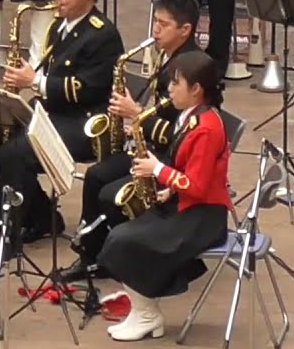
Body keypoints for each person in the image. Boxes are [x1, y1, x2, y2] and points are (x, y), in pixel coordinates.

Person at [64, 0, 200, 282]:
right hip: (152, 148)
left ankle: (125, 255)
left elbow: (183, 134)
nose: (156, 30)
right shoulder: (170, 57)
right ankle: (92, 253)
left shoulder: (194, 70)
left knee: (110, 195)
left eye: (164, 24)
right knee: (96, 175)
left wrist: (137, 114)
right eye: (155, 22)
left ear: (185, 30)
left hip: (172, 161)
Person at [0, 0, 124, 247]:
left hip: (85, 121)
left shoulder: (102, 34)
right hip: (55, 113)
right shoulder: (59, 27)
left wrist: (34, 81)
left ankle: (9, 231)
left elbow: (87, 88)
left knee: (16, 153)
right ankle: (42, 217)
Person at [97, 50, 231, 342]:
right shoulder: (189, 117)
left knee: (124, 240)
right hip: (185, 204)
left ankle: (147, 314)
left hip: (203, 217)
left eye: (176, 83)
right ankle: (142, 310)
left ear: (196, 89)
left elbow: (197, 185)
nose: (169, 89)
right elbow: (189, 171)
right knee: (120, 233)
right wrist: (169, 188)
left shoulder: (207, 129)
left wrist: (157, 169)